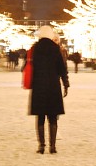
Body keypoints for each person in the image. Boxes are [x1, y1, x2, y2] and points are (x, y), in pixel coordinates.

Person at [27, 25, 69, 154]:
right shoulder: (55, 49)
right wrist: (66, 84)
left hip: (38, 86)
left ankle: (41, 146)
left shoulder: (34, 50)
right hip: (53, 86)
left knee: (40, 117)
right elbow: (62, 68)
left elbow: (28, 67)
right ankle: (53, 146)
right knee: (52, 117)